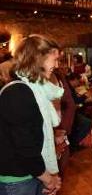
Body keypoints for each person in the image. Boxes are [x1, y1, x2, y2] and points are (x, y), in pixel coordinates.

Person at [0, 35, 63, 195]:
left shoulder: (36, 89)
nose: (56, 65)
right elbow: (24, 145)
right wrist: (48, 178)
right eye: (53, 59)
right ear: (38, 58)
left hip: (33, 174)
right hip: (18, 178)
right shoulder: (17, 92)